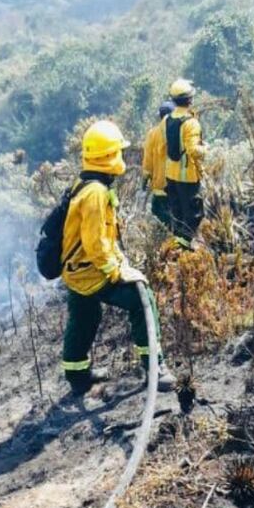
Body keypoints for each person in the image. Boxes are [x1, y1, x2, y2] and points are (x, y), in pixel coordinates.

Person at [60, 119, 176, 396]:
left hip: (75, 271)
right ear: (109, 156)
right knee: (141, 300)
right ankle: (154, 369)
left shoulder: (83, 183)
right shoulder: (96, 193)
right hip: (91, 271)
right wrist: (117, 273)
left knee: (84, 316)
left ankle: (77, 376)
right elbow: (95, 243)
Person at [163, 79, 207, 247]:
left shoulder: (168, 119)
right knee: (193, 214)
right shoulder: (191, 122)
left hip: (171, 174)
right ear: (190, 99)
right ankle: (184, 248)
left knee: (178, 213)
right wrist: (206, 149)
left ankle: (177, 246)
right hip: (187, 176)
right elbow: (193, 150)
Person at [141, 100, 175, 227]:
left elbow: (148, 161)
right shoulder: (181, 131)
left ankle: (165, 242)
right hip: (178, 187)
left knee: (158, 214)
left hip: (160, 187)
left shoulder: (153, 133)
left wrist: (144, 181)